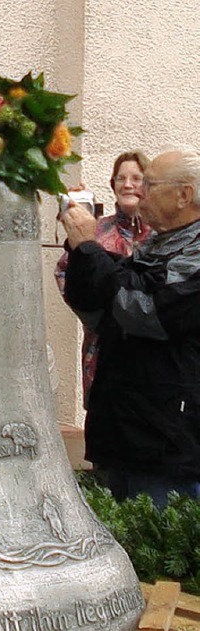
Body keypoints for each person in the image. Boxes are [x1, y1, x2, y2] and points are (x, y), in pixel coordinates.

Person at [60, 148, 200, 506]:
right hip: (122, 433)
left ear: (184, 195)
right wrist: (80, 251)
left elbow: (147, 310)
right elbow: (102, 312)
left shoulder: (194, 256)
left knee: (157, 552)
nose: (139, 192)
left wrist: (90, 250)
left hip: (166, 447)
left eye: (150, 184)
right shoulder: (156, 245)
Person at [55, 151, 152, 408]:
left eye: (136, 178)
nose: (128, 184)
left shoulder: (161, 234)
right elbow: (65, 272)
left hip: (150, 355)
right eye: (121, 178)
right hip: (102, 349)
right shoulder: (95, 229)